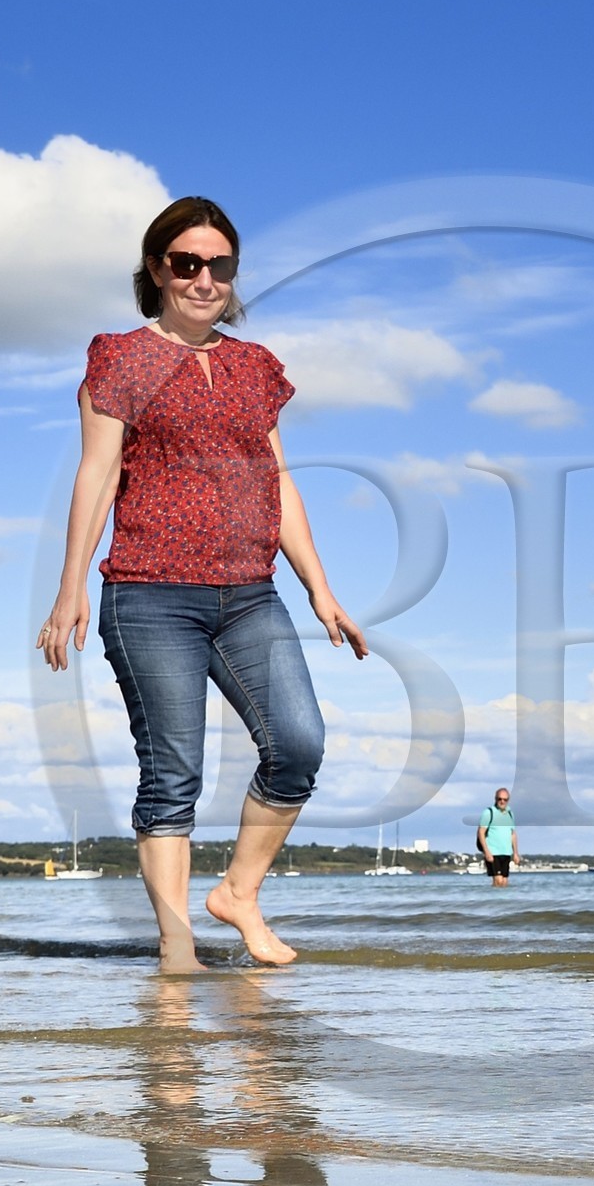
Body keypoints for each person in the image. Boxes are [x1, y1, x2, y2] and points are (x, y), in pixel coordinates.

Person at [37, 195, 368, 972]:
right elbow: (97, 473)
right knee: (172, 773)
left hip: (250, 593)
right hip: (150, 593)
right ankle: (177, 943)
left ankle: (238, 894)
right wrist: (69, 586)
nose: (204, 278)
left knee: (298, 744)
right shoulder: (121, 358)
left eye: (220, 265)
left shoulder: (256, 368)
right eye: (187, 263)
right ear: (158, 268)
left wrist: (319, 588)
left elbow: (277, 480)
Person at [477, 788, 518, 884]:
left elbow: (513, 834)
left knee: (504, 881)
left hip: (506, 852)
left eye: (505, 799)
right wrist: (486, 851)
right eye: (500, 799)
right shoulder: (489, 812)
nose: (502, 801)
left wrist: (515, 853)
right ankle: (494, 894)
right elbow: (481, 832)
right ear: (495, 799)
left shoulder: (510, 813)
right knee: (498, 880)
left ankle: (502, 895)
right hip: (493, 852)